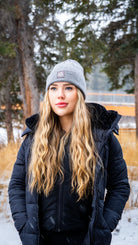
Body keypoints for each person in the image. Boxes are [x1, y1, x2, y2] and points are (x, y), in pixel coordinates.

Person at [8, 59, 130, 245]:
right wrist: (25, 226)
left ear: (79, 94)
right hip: (41, 240)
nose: (60, 95)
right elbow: (16, 184)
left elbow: (119, 186)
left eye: (68, 88)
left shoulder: (102, 138)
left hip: (86, 240)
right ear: (48, 94)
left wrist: (104, 225)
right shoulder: (34, 138)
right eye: (54, 88)